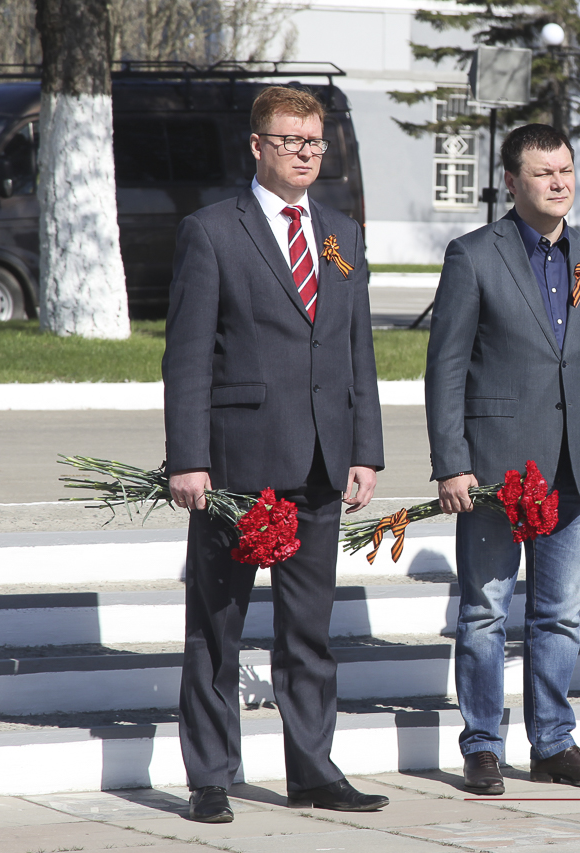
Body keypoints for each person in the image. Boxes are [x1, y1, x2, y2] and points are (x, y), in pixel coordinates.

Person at [163, 86, 389, 822]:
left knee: (308, 633)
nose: (305, 152)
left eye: (315, 142)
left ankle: (314, 768)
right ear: (257, 146)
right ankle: (211, 774)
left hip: (323, 463)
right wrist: (187, 458)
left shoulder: (340, 235)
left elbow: (357, 348)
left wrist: (366, 449)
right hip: (237, 465)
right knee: (217, 629)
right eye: (291, 140)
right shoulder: (213, 232)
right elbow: (188, 356)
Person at [425, 123, 580, 795]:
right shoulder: (473, 255)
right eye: (544, 173)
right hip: (494, 471)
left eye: (567, 170)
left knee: (559, 613)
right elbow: (446, 369)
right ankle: (483, 744)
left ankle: (553, 742)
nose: (559, 182)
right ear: (512, 181)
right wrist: (452, 462)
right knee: (484, 609)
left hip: (575, 468)